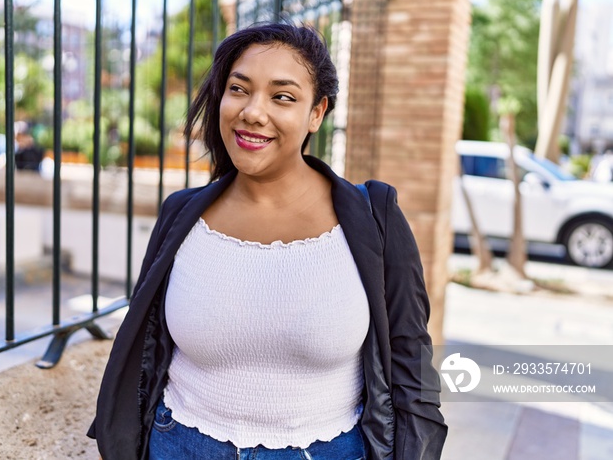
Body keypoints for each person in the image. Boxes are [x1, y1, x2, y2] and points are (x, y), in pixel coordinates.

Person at [88, 22, 446, 460]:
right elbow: (142, 355)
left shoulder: (374, 218)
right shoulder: (181, 216)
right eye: (239, 89)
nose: (253, 112)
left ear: (317, 112)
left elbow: (411, 364)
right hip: (179, 445)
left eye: (283, 96)